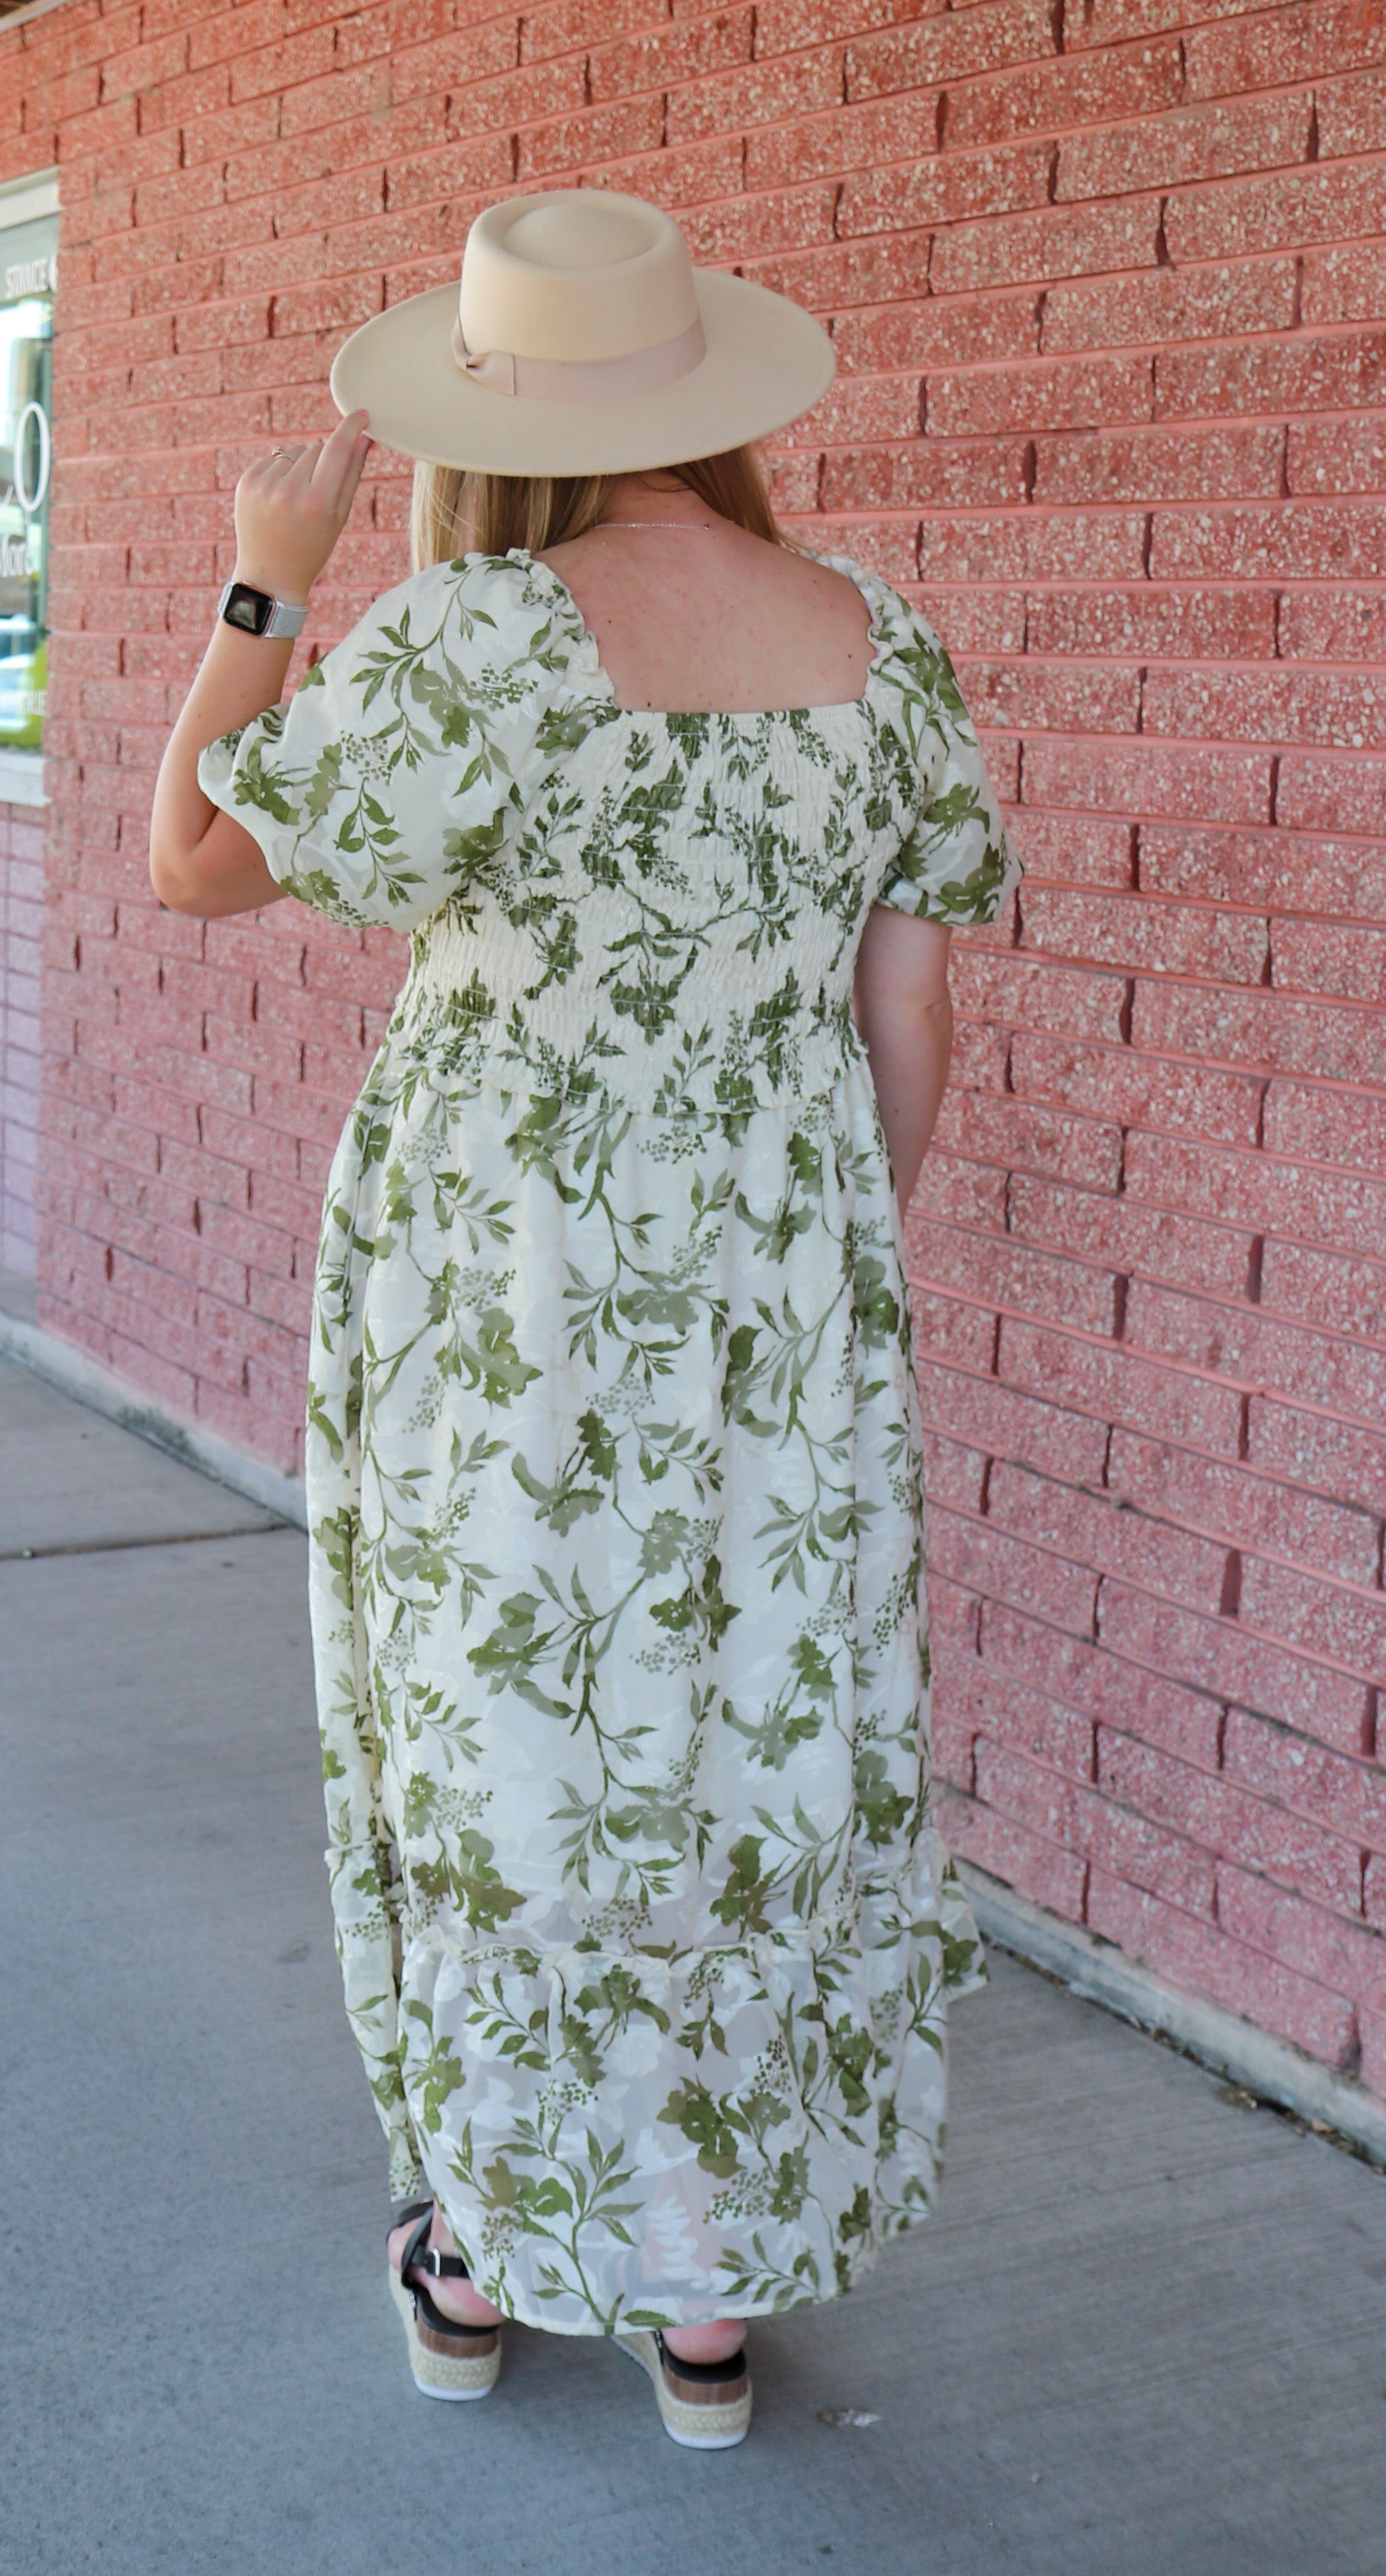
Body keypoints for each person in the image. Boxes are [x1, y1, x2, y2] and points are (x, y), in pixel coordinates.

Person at [150, 190, 1020, 2451]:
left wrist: (267, 580)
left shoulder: (476, 646)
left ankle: (480, 2250)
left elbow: (195, 851)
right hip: (791, 1298)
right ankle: (703, 2293)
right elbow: (906, 1008)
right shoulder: (882, 637)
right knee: (749, 1740)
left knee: (511, 1729)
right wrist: (818, 1260)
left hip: (504, 1296)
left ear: (484, 426)